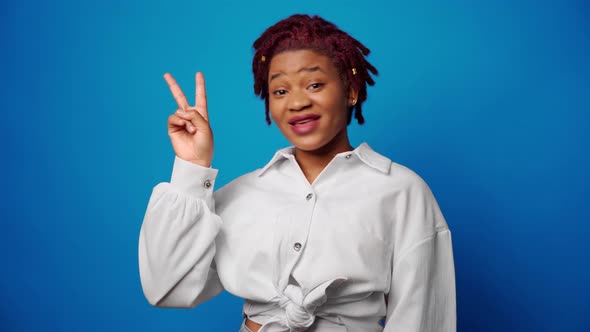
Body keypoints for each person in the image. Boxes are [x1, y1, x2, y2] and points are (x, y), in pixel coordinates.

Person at [138, 14, 456, 332]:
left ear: (351, 90)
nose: (297, 102)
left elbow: (422, 317)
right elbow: (167, 287)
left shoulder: (402, 190)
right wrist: (193, 168)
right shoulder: (240, 194)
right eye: (280, 91)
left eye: (314, 84)